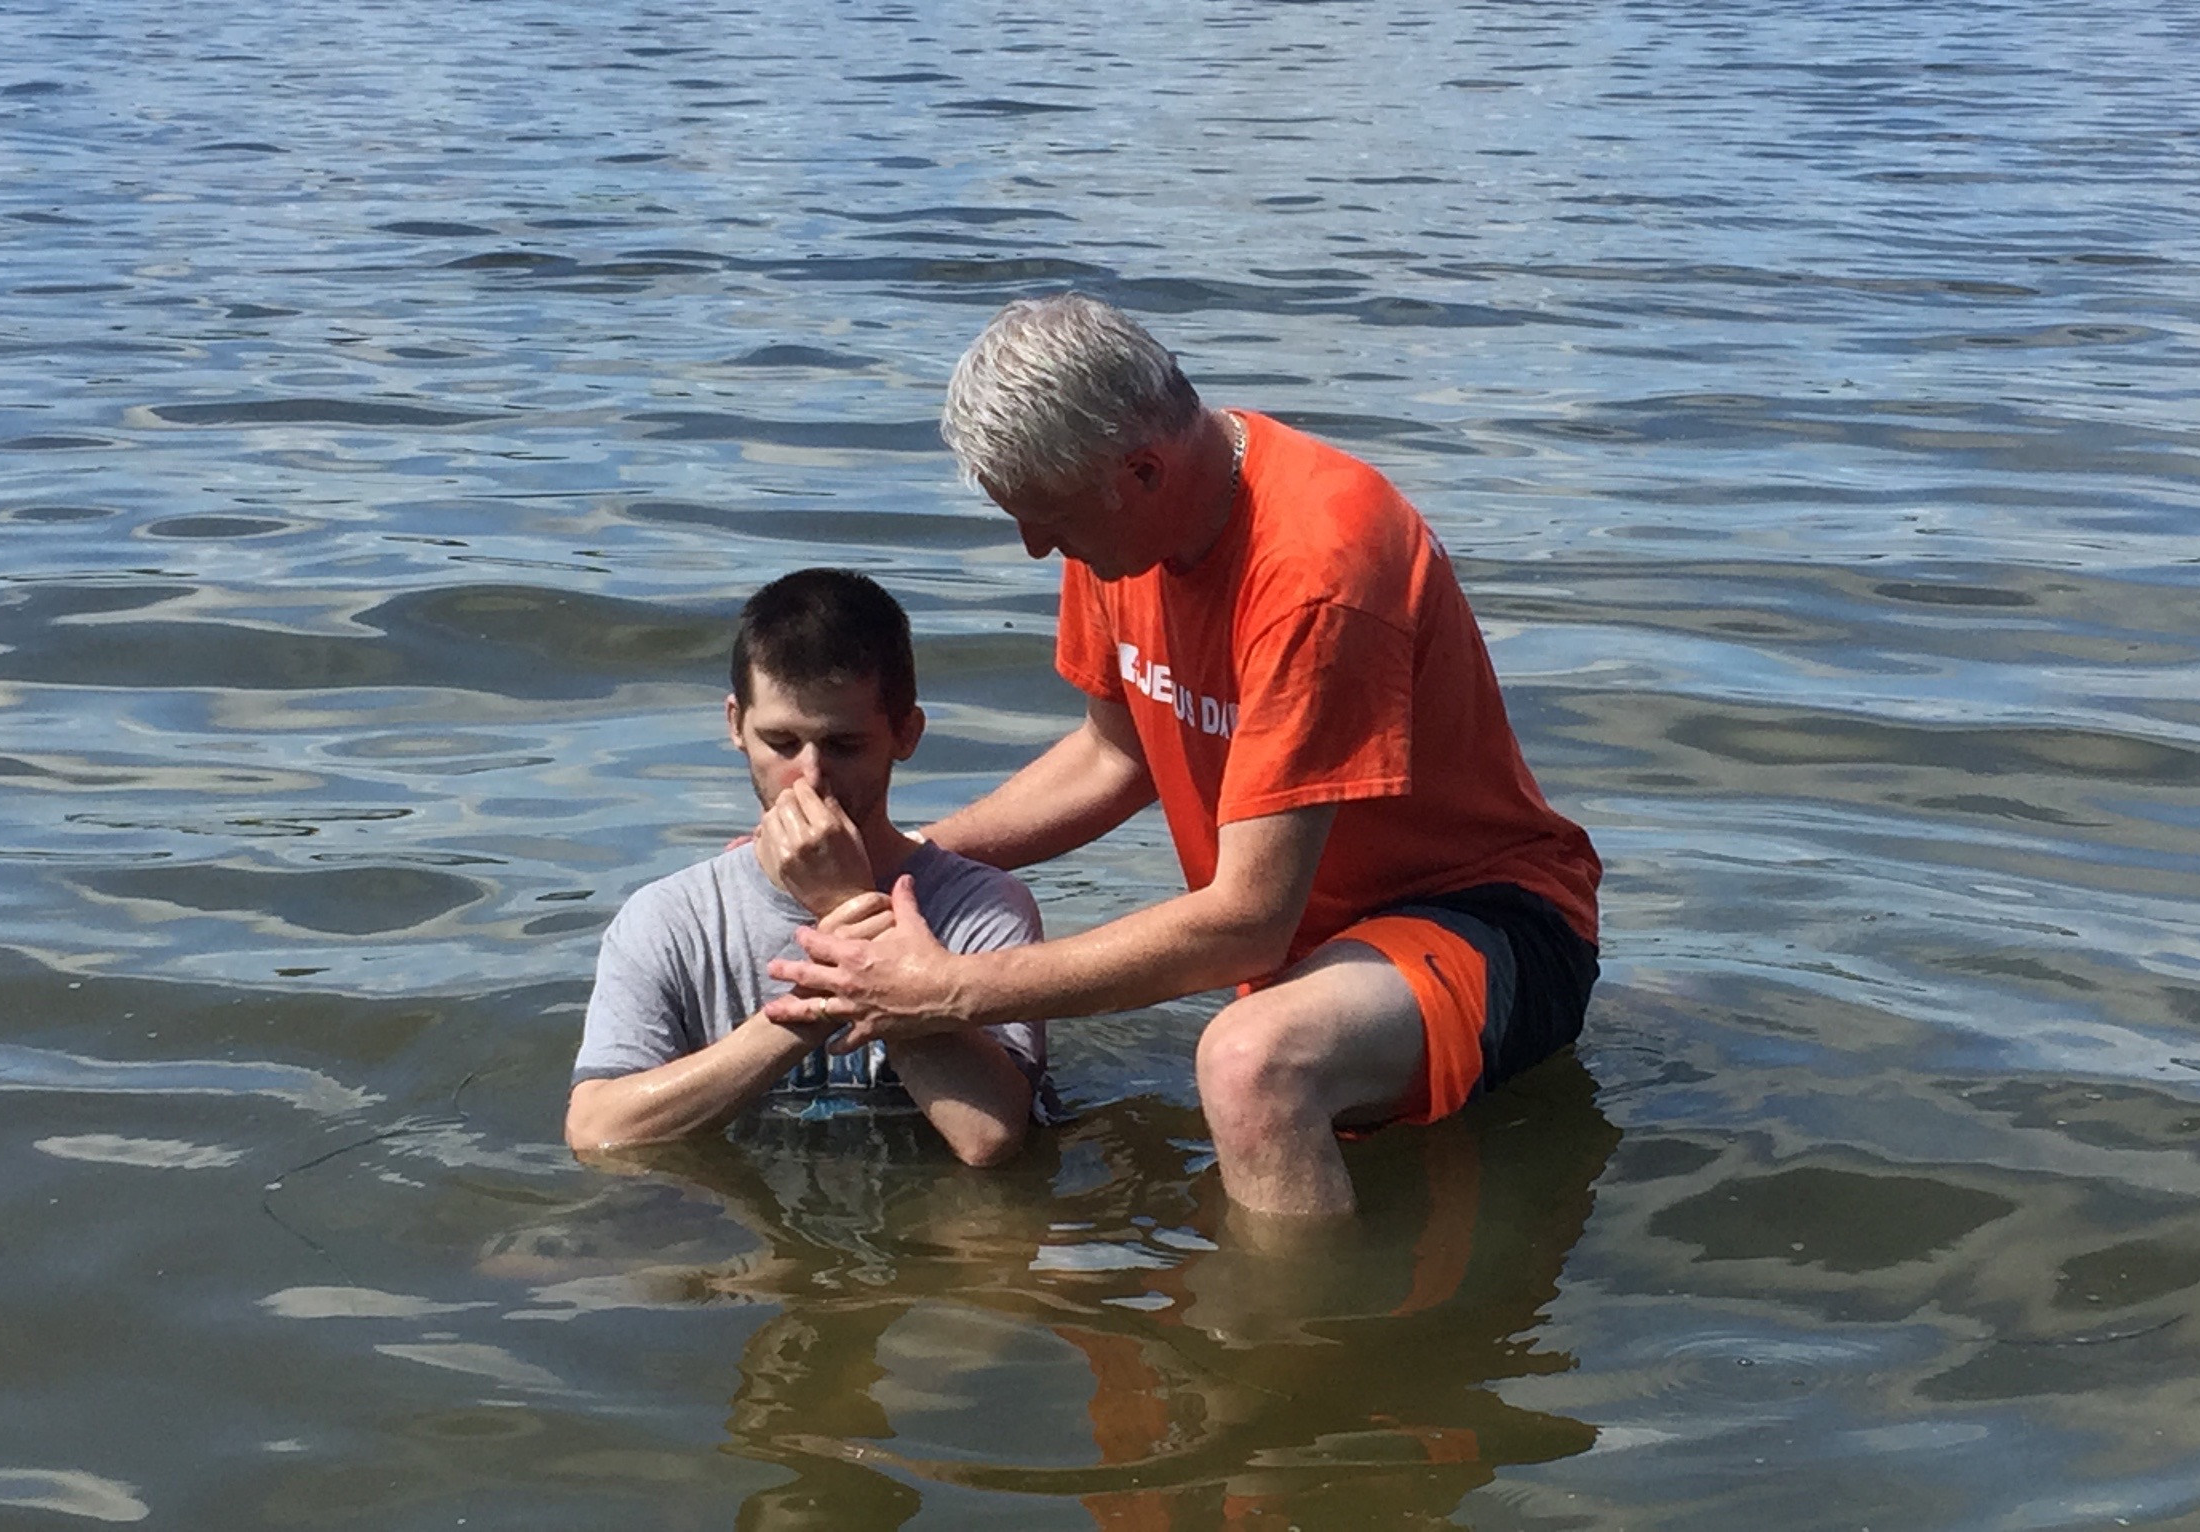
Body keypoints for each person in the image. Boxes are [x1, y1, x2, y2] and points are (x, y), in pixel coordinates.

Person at [777, 293, 1601, 1216]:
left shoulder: (1317, 571)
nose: (1036, 548)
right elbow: (1113, 757)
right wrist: (902, 857)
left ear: (1141, 471)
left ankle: (1286, 1318)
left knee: (1252, 1064)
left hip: (1491, 924)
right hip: (1317, 954)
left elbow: (1246, 923)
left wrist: (954, 990)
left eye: (1047, 517)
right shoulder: (1120, 538)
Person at [564, 567, 1049, 1166]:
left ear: (906, 733)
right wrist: (803, 1014)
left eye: (844, 745)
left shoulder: (983, 909)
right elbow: (597, 1129)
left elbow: (990, 1137)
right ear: (736, 725)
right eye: (781, 743)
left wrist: (847, 910)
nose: (811, 777)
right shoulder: (668, 917)